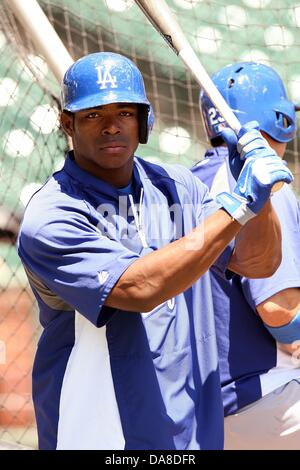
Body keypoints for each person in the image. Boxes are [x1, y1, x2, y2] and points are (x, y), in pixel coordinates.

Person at [18, 52, 292, 450]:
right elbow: (141, 288)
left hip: (192, 434)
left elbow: (258, 262)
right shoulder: (53, 214)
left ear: (143, 121)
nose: (112, 126)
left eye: (124, 112)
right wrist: (239, 205)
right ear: (67, 123)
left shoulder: (176, 185)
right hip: (99, 435)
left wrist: (260, 200)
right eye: (94, 115)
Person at [192, 61, 300, 450]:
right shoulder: (266, 183)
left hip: (205, 412)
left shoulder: (185, 184)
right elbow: (281, 314)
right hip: (267, 395)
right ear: (280, 119)